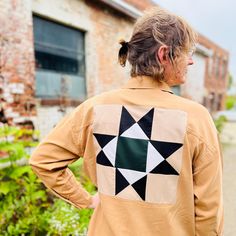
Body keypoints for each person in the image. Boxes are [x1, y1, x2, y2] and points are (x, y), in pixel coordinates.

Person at [29, 7, 223, 236]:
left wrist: (87, 200)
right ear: (164, 55)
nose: (190, 61)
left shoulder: (93, 109)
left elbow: (43, 161)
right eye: (185, 53)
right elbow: (209, 211)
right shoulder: (196, 117)